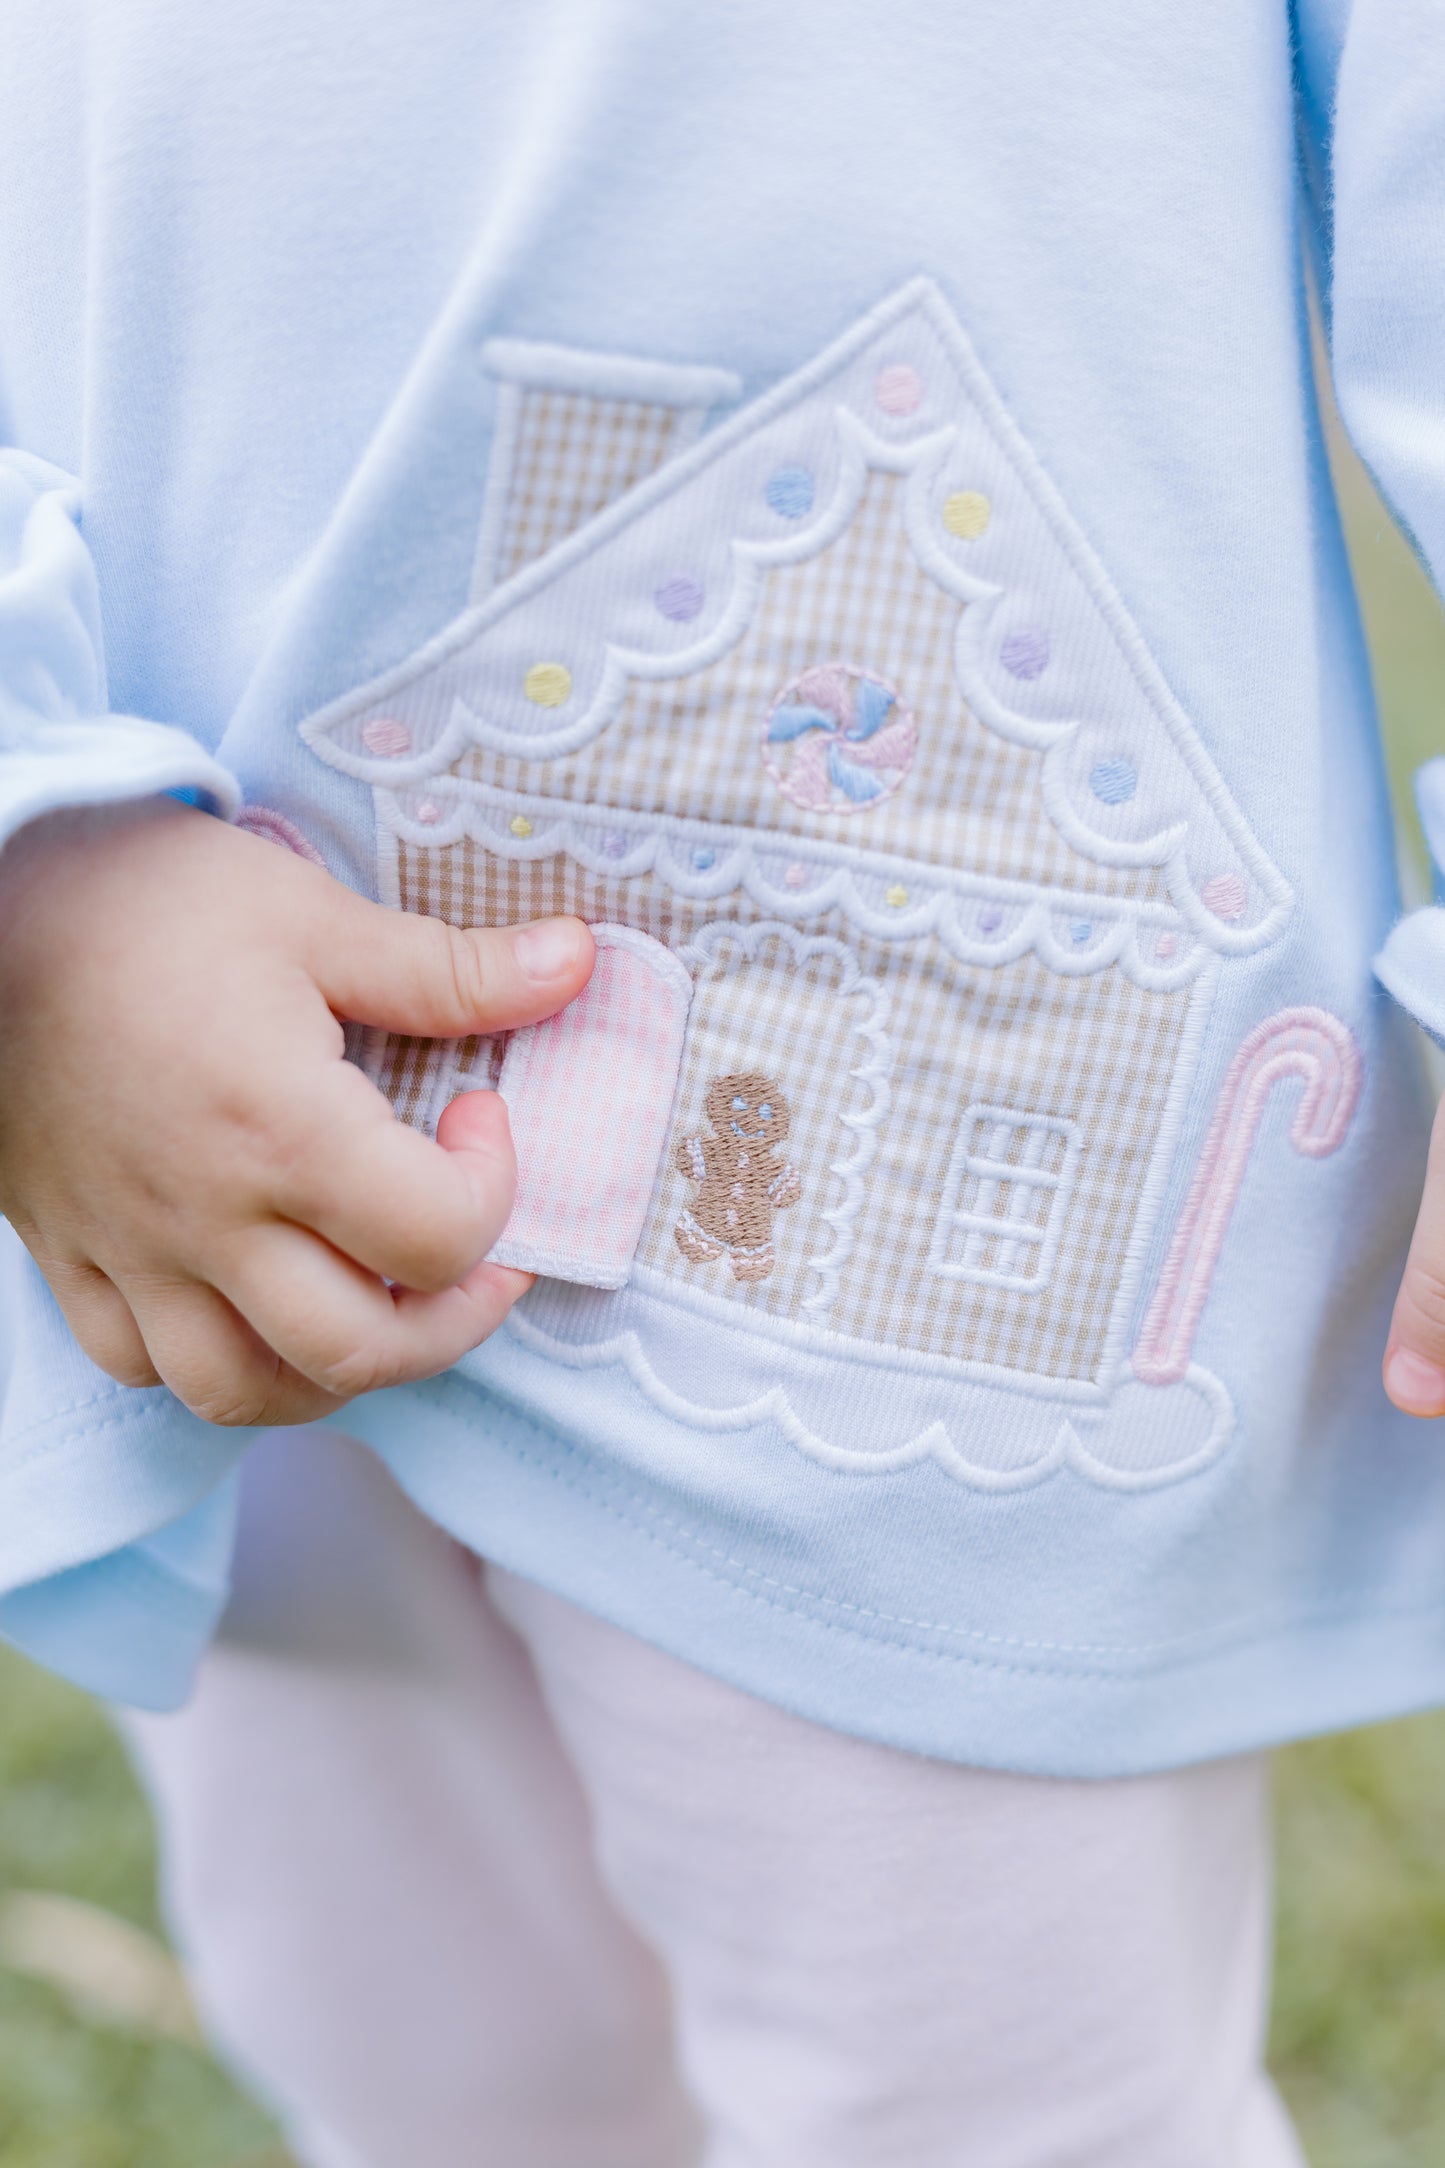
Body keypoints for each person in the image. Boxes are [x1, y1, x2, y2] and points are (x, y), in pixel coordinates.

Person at [2, 1, 1444, 2158]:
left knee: (987, 2116)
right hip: (156, 1070)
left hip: (968, 1170)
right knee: (434, 2067)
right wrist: (30, 856)